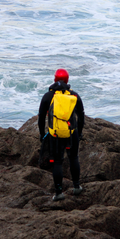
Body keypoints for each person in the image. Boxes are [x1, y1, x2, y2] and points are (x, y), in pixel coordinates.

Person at [38, 69, 85, 201]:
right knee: (74, 158)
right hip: (72, 133)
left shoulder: (48, 96)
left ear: (54, 80)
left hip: (55, 134)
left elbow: (41, 117)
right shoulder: (74, 95)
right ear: (67, 80)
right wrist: (79, 132)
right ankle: (76, 187)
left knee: (57, 162)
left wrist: (42, 134)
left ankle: (59, 193)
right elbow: (81, 116)